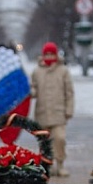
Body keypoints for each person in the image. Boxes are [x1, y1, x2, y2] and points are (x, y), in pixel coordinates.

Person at [30, 41, 74, 176]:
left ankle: (60, 164)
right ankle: (47, 166)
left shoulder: (63, 71)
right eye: (47, 54)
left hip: (58, 112)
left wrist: (69, 109)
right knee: (44, 142)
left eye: (51, 54)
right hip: (42, 113)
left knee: (60, 139)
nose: (49, 56)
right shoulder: (37, 71)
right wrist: (30, 92)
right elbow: (33, 88)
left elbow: (69, 92)